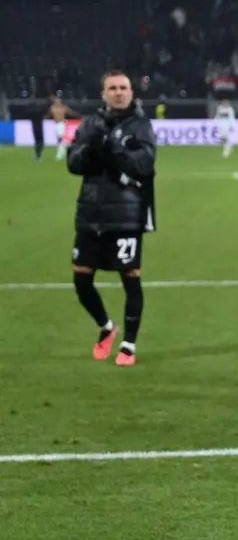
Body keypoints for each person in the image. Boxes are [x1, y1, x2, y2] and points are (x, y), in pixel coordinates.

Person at [67, 71, 156, 367]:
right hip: (91, 214)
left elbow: (143, 164)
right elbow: (74, 164)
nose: (119, 93)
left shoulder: (141, 126)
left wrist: (114, 147)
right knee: (81, 278)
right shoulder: (91, 124)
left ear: (131, 92)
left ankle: (129, 344)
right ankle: (106, 327)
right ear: (103, 93)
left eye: (124, 88)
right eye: (113, 88)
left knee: (130, 278)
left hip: (127, 214)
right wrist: (92, 144)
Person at [50, 95, 77, 162]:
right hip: (55, 124)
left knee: (62, 139)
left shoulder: (63, 107)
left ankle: (60, 154)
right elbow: (50, 115)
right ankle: (63, 152)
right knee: (59, 139)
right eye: (56, 100)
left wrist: (78, 116)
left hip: (61, 124)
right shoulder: (52, 107)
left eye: (58, 100)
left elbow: (71, 112)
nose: (57, 101)